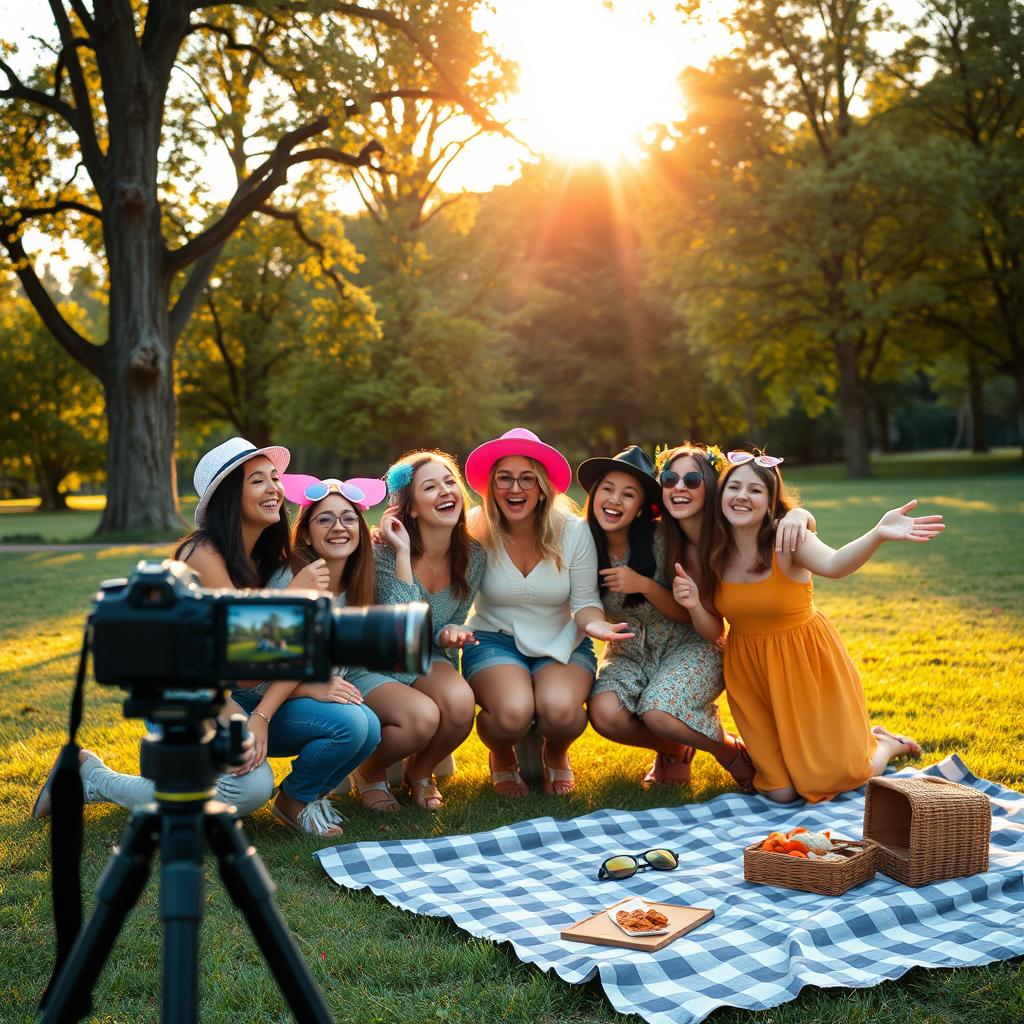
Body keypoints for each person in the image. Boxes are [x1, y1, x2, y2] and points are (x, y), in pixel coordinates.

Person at [709, 449, 939, 803]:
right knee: (780, 792)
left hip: (804, 661)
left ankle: (885, 745)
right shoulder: (713, 550)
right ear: (720, 495)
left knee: (835, 777)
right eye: (733, 487)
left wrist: (876, 533)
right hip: (750, 671)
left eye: (754, 490)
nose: (741, 496)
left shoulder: (787, 540)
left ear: (771, 502)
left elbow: (834, 564)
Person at [176, 438, 378, 837]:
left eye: (275, 478)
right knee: (250, 788)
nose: (274, 489)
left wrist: (272, 709)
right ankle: (99, 779)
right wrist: (294, 598)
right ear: (230, 496)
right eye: (258, 481)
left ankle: (296, 801)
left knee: (362, 724)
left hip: (244, 694)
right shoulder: (202, 554)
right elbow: (241, 650)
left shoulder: (267, 560)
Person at [462, 427, 635, 798]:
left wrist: (598, 626)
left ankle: (555, 753)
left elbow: (585, 602)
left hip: (562, 641)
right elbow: (428, 537)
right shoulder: (475, 526)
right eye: (504, 479)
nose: (515, 489)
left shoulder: (573, 532)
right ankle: (502, 755)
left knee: (561, 712)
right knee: (511, 713)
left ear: (542, 486)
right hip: (494, 639)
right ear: (491, 486)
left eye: (527, 478)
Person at [580, 446, 755, 790]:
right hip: (629, 653)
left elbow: (693, 616)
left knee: (659, 711)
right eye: (607, 489)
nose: (614, 501)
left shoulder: (664, 539)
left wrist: (643, 584)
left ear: (643, 506)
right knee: (603, 713)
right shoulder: (582, 544)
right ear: (594, 493)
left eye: (628, 494)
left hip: (687, 645)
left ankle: (730, 752)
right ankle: (675, 747)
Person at [644, 442, 814, 786]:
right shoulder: (666, 533)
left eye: (692, 480)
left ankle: (691, 748)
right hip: (704, 642)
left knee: (804, 767)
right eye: (669, 478)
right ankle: (675, 750)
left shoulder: (731, 528)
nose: (679, 487)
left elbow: (774, 515)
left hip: (759, 649)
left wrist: (800, 515)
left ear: (712, 485)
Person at [369, 450, 485, 810]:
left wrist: (450, 630)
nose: (445, 491)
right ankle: (370, 773)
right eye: (430, 487)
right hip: (381, 657)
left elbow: (457, 614)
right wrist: (403, 552)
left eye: (450, 482)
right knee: (425, 716)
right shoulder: (383, 553)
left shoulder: (475, 555)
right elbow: (398, 627)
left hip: (427, 654)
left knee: (461, 702)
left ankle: (419, 771)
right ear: (412, 508)